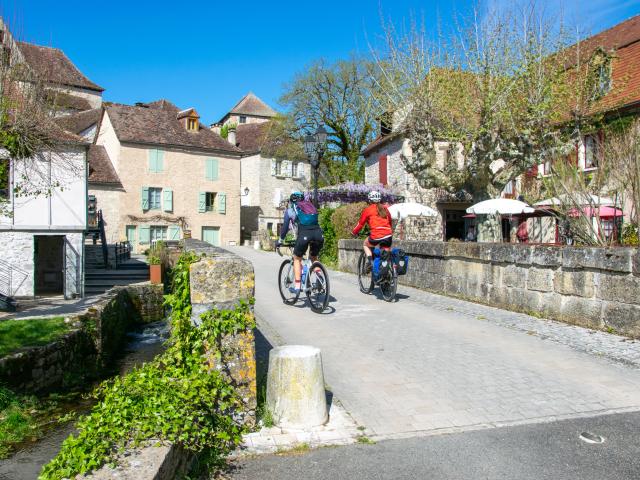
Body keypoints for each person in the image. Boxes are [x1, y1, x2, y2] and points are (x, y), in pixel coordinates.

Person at [275, 192, 324, 292]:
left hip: (305, 235)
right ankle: (319, 276)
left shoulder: (290, 210)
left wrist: (280, 241)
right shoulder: (310, 207)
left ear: (291, 201)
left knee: (297, 258)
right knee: (313, 257)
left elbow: (284, 228)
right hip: (319, 234)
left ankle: (297, 287)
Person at [351, 191, 393, 269]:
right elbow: (390, 221)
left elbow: (360, 224)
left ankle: (370, 262)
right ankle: (388, 274)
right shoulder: (385, 209)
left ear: (369, 200)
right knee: (385, 255)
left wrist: (353, 232)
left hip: (376, 235)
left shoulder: (368, 210)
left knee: (365, 244)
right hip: (388, 235)